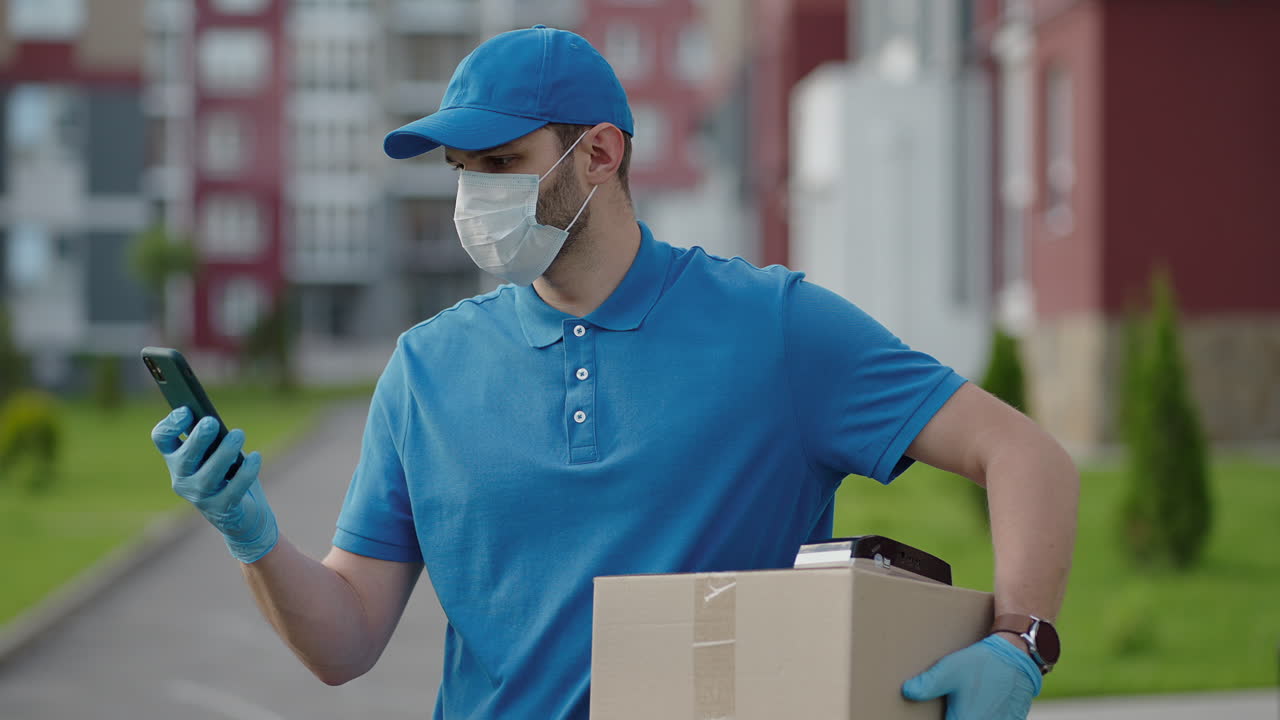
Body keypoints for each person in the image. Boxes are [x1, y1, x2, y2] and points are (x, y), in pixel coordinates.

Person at [150, 25, 1078, 720]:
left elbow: (1025, 454)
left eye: (505, 163)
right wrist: (251, 536)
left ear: (600, 153)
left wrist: (1020, 643)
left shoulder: (776, 329)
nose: (477, 199)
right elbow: (346, 641)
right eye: (463, 170)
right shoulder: (426, 370)